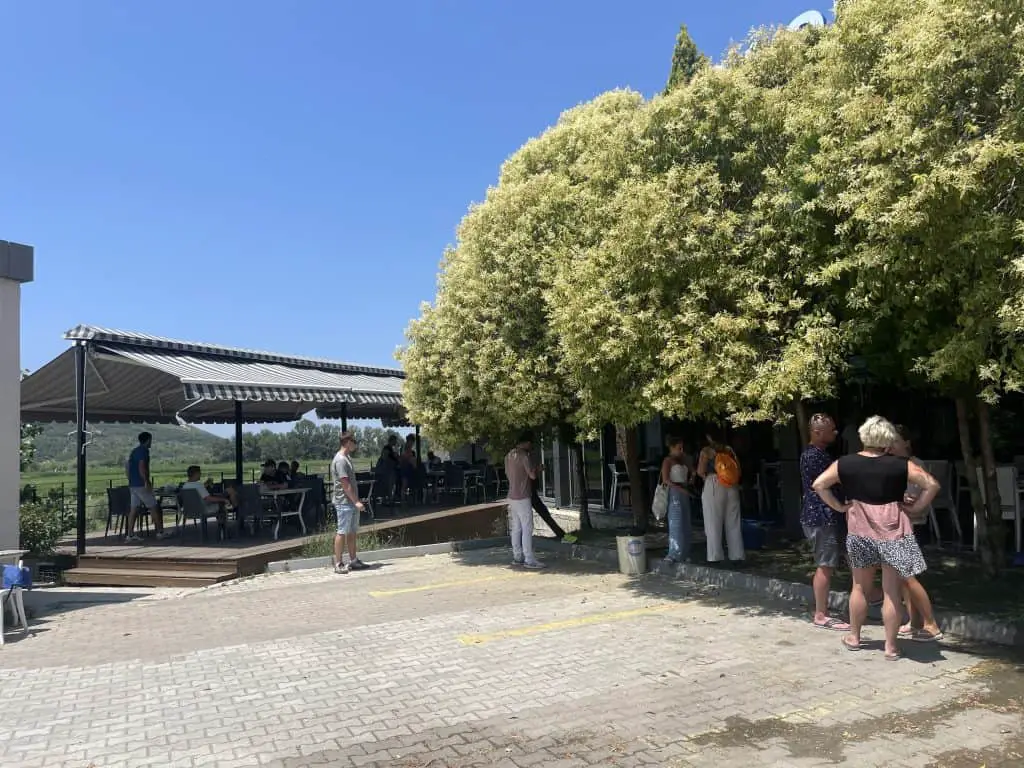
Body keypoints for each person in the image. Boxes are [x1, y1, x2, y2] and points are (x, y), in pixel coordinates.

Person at [812, 416, 940, 660]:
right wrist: (916, 509)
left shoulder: (845, 463)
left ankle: (855, 637)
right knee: (891, 590)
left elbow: (819, 484)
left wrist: (839, 507)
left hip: (860, 529)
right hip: (893, 530)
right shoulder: (901, 464)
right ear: (887, 439)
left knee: (859, 587)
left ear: (864, 436)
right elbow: (932, 485)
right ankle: (891, 647)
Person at [891, 425, 944, 642]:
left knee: (909, 577)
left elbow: (913, 497)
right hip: (899, 527)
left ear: (906, 443)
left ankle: (931, 624)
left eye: (895, 441)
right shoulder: (895, 465)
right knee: (904, 579)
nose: (890, 446)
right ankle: (912, 620)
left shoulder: (913, 465)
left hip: (912, 527)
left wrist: (912, 507)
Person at [800, 414, 849, 631]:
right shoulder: (813, 456)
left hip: (825, 515)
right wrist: (839, 507)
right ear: (818, 432)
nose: (835, 432)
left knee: (834, 561)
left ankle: (872, 597)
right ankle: (821, 613)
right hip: (821, 516)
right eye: (831, 429)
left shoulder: (819, 454)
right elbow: (824, 485)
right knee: (825, 564)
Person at [697, 427, 744, 563]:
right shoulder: (729, 450)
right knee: (733, 521)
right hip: (732, 485)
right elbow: (738, 470)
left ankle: (715, 556)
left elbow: (701, 470)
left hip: (714, 482)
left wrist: (704, 476)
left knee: (713, 521)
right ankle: (737, 555)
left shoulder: (706, 451)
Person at [505, 432, 545, 569]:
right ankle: (529, 559)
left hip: (511, 495)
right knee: (527, 528)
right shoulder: (524, 456)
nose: (531, 447)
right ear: (527, 443)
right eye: (530, 444)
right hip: (523, 496)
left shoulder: (509, 455)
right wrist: (538, 469)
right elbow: (532, 475)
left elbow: (508, 474)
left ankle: (517, 557)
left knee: (516, 527)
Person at [331, 432, 368, 574]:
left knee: (352, 532)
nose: (355, 444)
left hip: (351, 502)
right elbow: (345, 484)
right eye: (354, 441)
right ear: (347, 442)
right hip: (344, 502)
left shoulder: (347, 458)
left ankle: (353, 560)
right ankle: (338, 563)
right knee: (342, 531)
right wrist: (356, 501)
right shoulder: (340, 460)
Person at [125, 431, 165, 542]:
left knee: (133, 509)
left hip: (133, 485)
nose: (151, 442)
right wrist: (146, 481)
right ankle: (160, 532)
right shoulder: (144, 451)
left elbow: (127, 467)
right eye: (151, 440)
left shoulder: (134, 451)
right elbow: (142, 466)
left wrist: (131, 480)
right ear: (148, 440)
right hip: (141, 484)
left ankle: (130, 535)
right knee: (153, 506)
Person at [661, 436, 694, 565]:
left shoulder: (683, 460)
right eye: (678, 448)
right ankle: (673, 553)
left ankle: (685, 552)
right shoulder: (668, 461)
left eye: (682, 448)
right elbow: (666, 479)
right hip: (675, 491)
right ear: (672, 448)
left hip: (684, 490)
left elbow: (692, 472)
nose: (681, 450)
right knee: (676, 521)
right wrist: (680, 489)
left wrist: (692, 477)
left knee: (686, 521)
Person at [181, 465, 232, 534]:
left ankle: (221, 529)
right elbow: (209, 499)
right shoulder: (198, 485)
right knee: (221, 506)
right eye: (200, 473)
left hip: (189, 511)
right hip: (203, 510)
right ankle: (223, 530)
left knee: (218, 504)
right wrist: (223, 500)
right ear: (196, 474)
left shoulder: (185, 486)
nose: (200, 475)